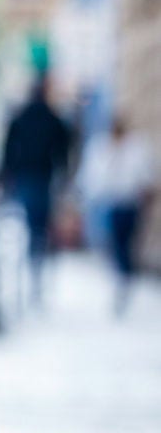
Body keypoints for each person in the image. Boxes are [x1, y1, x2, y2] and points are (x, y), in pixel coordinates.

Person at [0, 73, 73, 300]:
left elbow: (8, 149)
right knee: (39, 225)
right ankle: (36, 265)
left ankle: (34, 264)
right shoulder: (53, 118)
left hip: (27, 177)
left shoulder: (21, 117)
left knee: (32, 224)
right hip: (43, 176)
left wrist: (6, 174)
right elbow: (63, 151)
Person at [78, 116, 155, 313]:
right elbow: (92, 176)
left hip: (130, 203)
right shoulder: (101, 147)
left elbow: (145, 175)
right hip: (111, 203)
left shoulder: (136, 148)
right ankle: (122, 276)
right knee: (115, 241)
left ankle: (125, 276)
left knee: (127, 242)